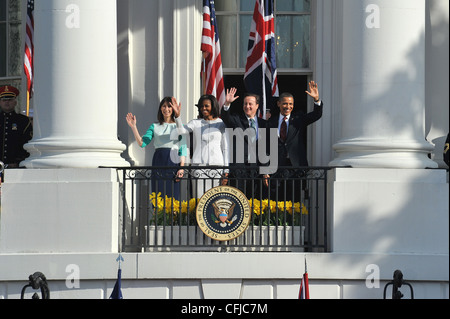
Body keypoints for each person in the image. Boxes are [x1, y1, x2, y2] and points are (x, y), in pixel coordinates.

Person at [267, 81, 324, 202]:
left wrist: (317, 100)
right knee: (275, 202)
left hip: (295, 169)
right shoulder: (271, 122)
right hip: (276, 169)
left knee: (294, 202)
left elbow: (316, 115)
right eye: (285, 104)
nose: (288, 106)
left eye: (291, 104)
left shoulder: (298, 119)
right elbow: (266, 147)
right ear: (279, 104)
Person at [126, 97, 186, 199]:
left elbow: (183, 145)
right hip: (159, 160)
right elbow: (142, 143)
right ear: (160, 108)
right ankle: (157, 215)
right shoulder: (154, 126)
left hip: (173, 160)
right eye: (164, 106)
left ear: (173, 109)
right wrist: (133, 127)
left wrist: (181, 167)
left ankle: (174, 215)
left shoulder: (178, 126)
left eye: (169, 106)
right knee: (158, 193)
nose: (166, 109)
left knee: (173, 194)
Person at [172, 95, 229, 199]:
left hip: (217, 167)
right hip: (198, 167)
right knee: (199, 199)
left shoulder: (221, 123)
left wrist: (226, 171)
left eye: (206, 106)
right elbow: (181, 131)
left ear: (213, 106)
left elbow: (225, 148)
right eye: (201, 106)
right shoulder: (195, 123)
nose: (203, 108)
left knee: (215, 199)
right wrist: (177, 117)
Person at [221, 88, 269, 199]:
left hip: (256, 170)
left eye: (250, 104)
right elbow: (226, 117)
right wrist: (227, 103)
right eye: (245, 104)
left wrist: (266, 171)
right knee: (238, 201)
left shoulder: (264, 124)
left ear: (257, 106)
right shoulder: (237, 120)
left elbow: (266, 149)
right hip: (239, 169)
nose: (247, 106)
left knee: (255, 202)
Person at [0, 85, 33, 169]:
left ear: (15, 102)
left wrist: (18, 161)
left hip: (16, 166)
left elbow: (27, 142)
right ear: (0, 102)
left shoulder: (23, 121)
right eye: (4, 100)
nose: (7, 102)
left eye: (10, 100)